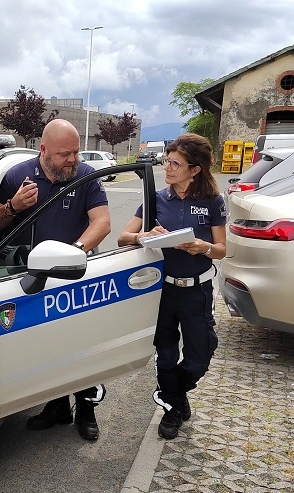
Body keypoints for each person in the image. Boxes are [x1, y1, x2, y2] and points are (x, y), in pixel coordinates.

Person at [0, 118, 111, 441]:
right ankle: (57, 407)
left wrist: (76, 250)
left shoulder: (85, 176)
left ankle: (86, 409)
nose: (73, 159)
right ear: (44, 151)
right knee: (50, 344)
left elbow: (103, 222)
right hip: (36, 278)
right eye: (64, 154)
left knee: (83, 345)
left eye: (76, 152)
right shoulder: (16, 176)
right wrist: (13, 206)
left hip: (74, 274)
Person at [117, 133, 227, 440]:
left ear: (195, 170)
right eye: (167, 161)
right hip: (162, 291)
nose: (167, 167)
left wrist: (201, 247)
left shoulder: (212, 202)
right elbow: (123, 237)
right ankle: (174, 409)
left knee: (200, 356)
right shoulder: (156, 200)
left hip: (197, 291)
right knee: (164, 355)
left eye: (175, 163)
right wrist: (145, 235)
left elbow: (221, 249)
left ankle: (173, 393)